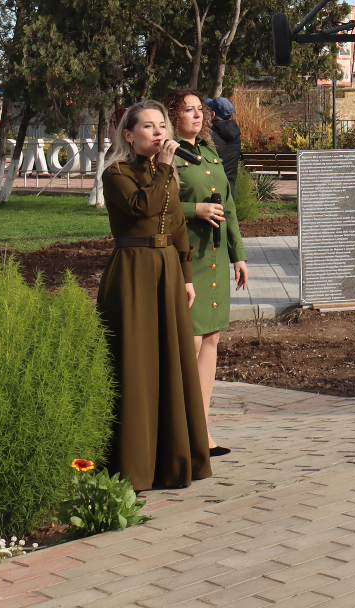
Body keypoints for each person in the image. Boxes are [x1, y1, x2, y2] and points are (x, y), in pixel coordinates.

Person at [98, 101, 210, 493]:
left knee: (172, 361)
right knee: (137, 364)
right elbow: (141, 207)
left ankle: (176, 459)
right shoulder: (116, 173)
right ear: (129, 135)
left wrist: (185, 275)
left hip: (166, 269)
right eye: (148, 126)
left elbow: (176, 223)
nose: (158, 132)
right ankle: (136, 465)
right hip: (132, 273)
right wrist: (163, 167)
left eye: (162, 125)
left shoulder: (167, 171)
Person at [162, 88, 247, 459]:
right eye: (188, 110)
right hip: (187, 259)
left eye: (200, 110)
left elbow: (227, 205)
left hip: (213, 258)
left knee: (210, 339)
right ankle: (180, 431)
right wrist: (192, 209)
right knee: (190, 343)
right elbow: (157, 205)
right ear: (172, 115)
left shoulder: (210, 154)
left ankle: (203, 430)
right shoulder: (167, 156)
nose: (197, 115)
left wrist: (237, 256)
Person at [205, 94, 243, 184]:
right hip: (230, 184)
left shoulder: (209, 135)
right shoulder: (236, 133)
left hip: (213, 185)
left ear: (213, 114)